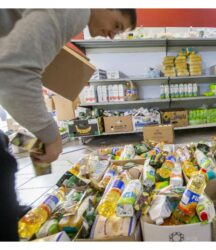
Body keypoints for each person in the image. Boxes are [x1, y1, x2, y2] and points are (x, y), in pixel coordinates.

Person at [0, 9, 136, 241]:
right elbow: (13, 72)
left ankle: (13, 215)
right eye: (117, 25)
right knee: (3, 166)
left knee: (4, 152)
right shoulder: (73, 10)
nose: (113, 35)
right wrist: (50, 135)